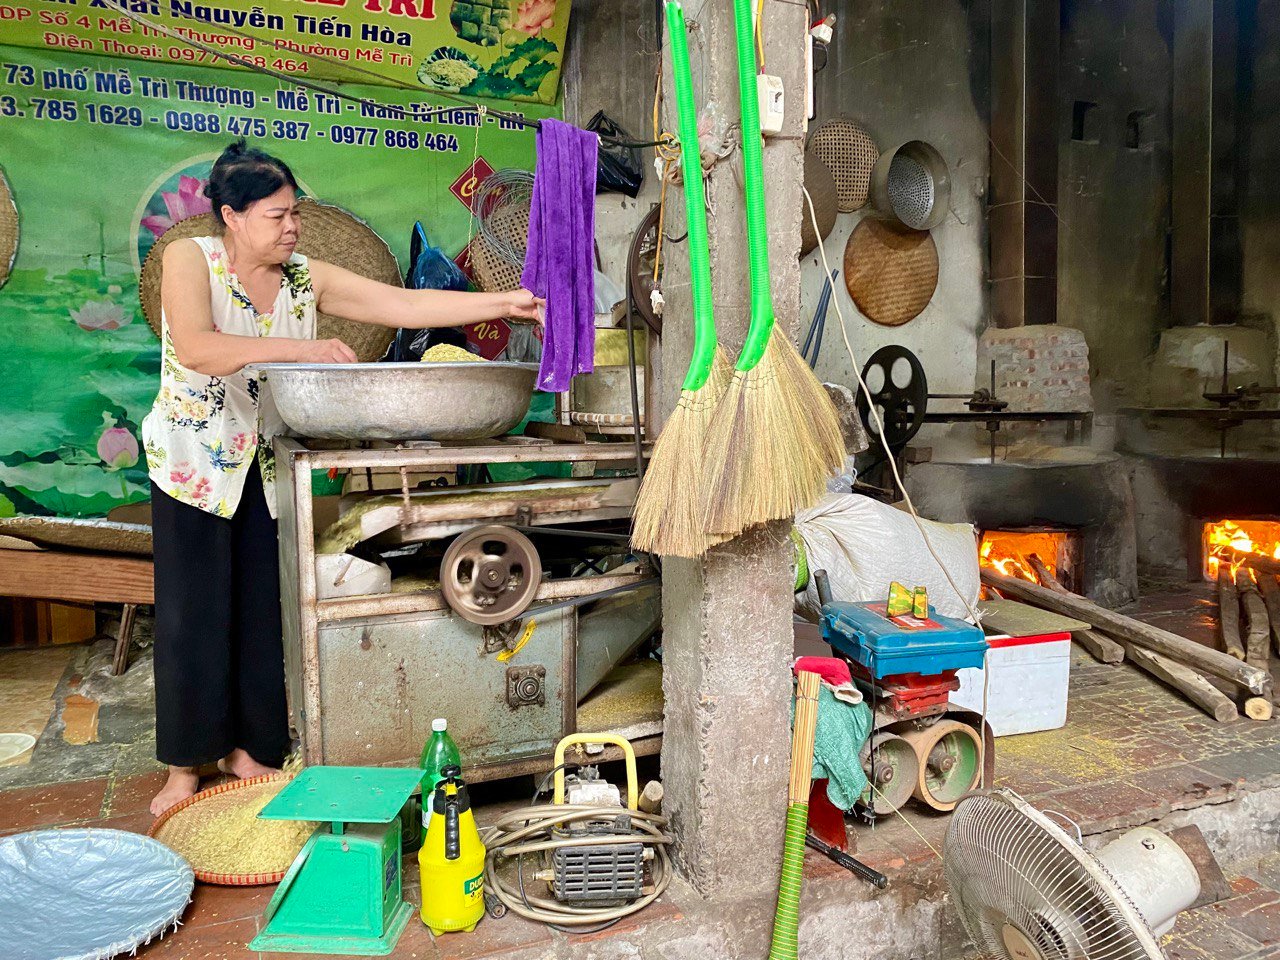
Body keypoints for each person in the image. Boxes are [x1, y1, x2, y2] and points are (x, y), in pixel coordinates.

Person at [142, 140, 542, 815]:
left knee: (260, 608)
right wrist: (299, 349)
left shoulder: (305, 276)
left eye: (294, 213)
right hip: (193, 463)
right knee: (192, 615)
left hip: (264, 464)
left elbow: (401, 306)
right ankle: (184, 766)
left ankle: (250, 747)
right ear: (232, 216)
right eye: (276, 216)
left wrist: (504, 302)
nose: (291, 226)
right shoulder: (192, 258)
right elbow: (199, 347)